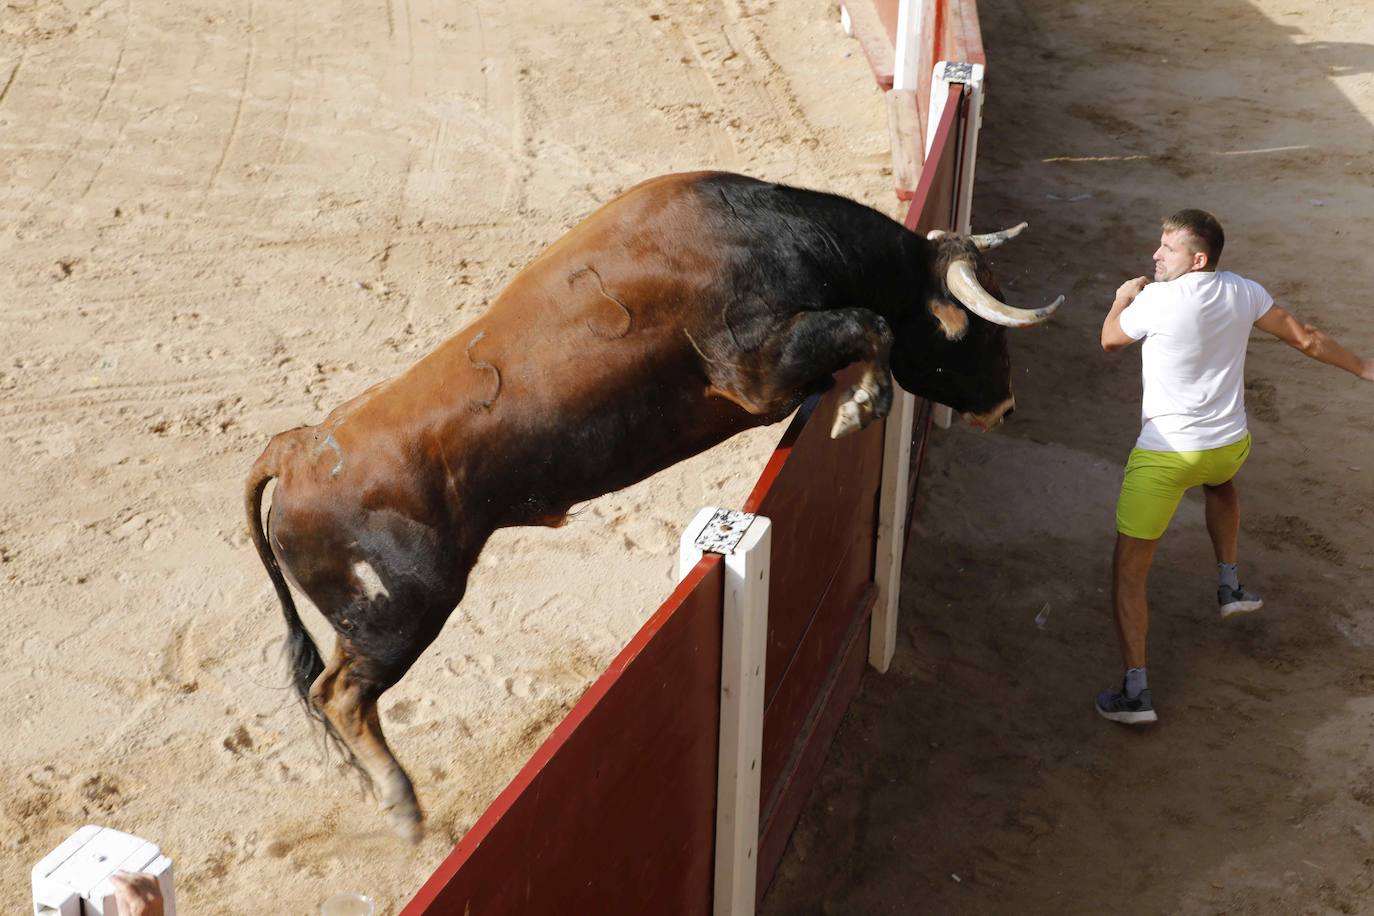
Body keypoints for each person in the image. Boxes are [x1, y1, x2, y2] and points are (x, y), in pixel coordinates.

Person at [1094, 208, 1374, 724]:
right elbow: (1305, 337)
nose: (1155, 254)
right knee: (1220, 483)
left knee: (1129, 574)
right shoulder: (1244, 290)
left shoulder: (1154, 300)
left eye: (1168, 248)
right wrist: (1362, 366)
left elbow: (1110, 340)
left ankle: (1136, 693)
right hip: (1227, 443)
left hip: (1165, 456)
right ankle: (1229, 584)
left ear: (1197, 259)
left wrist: (1120, 300)